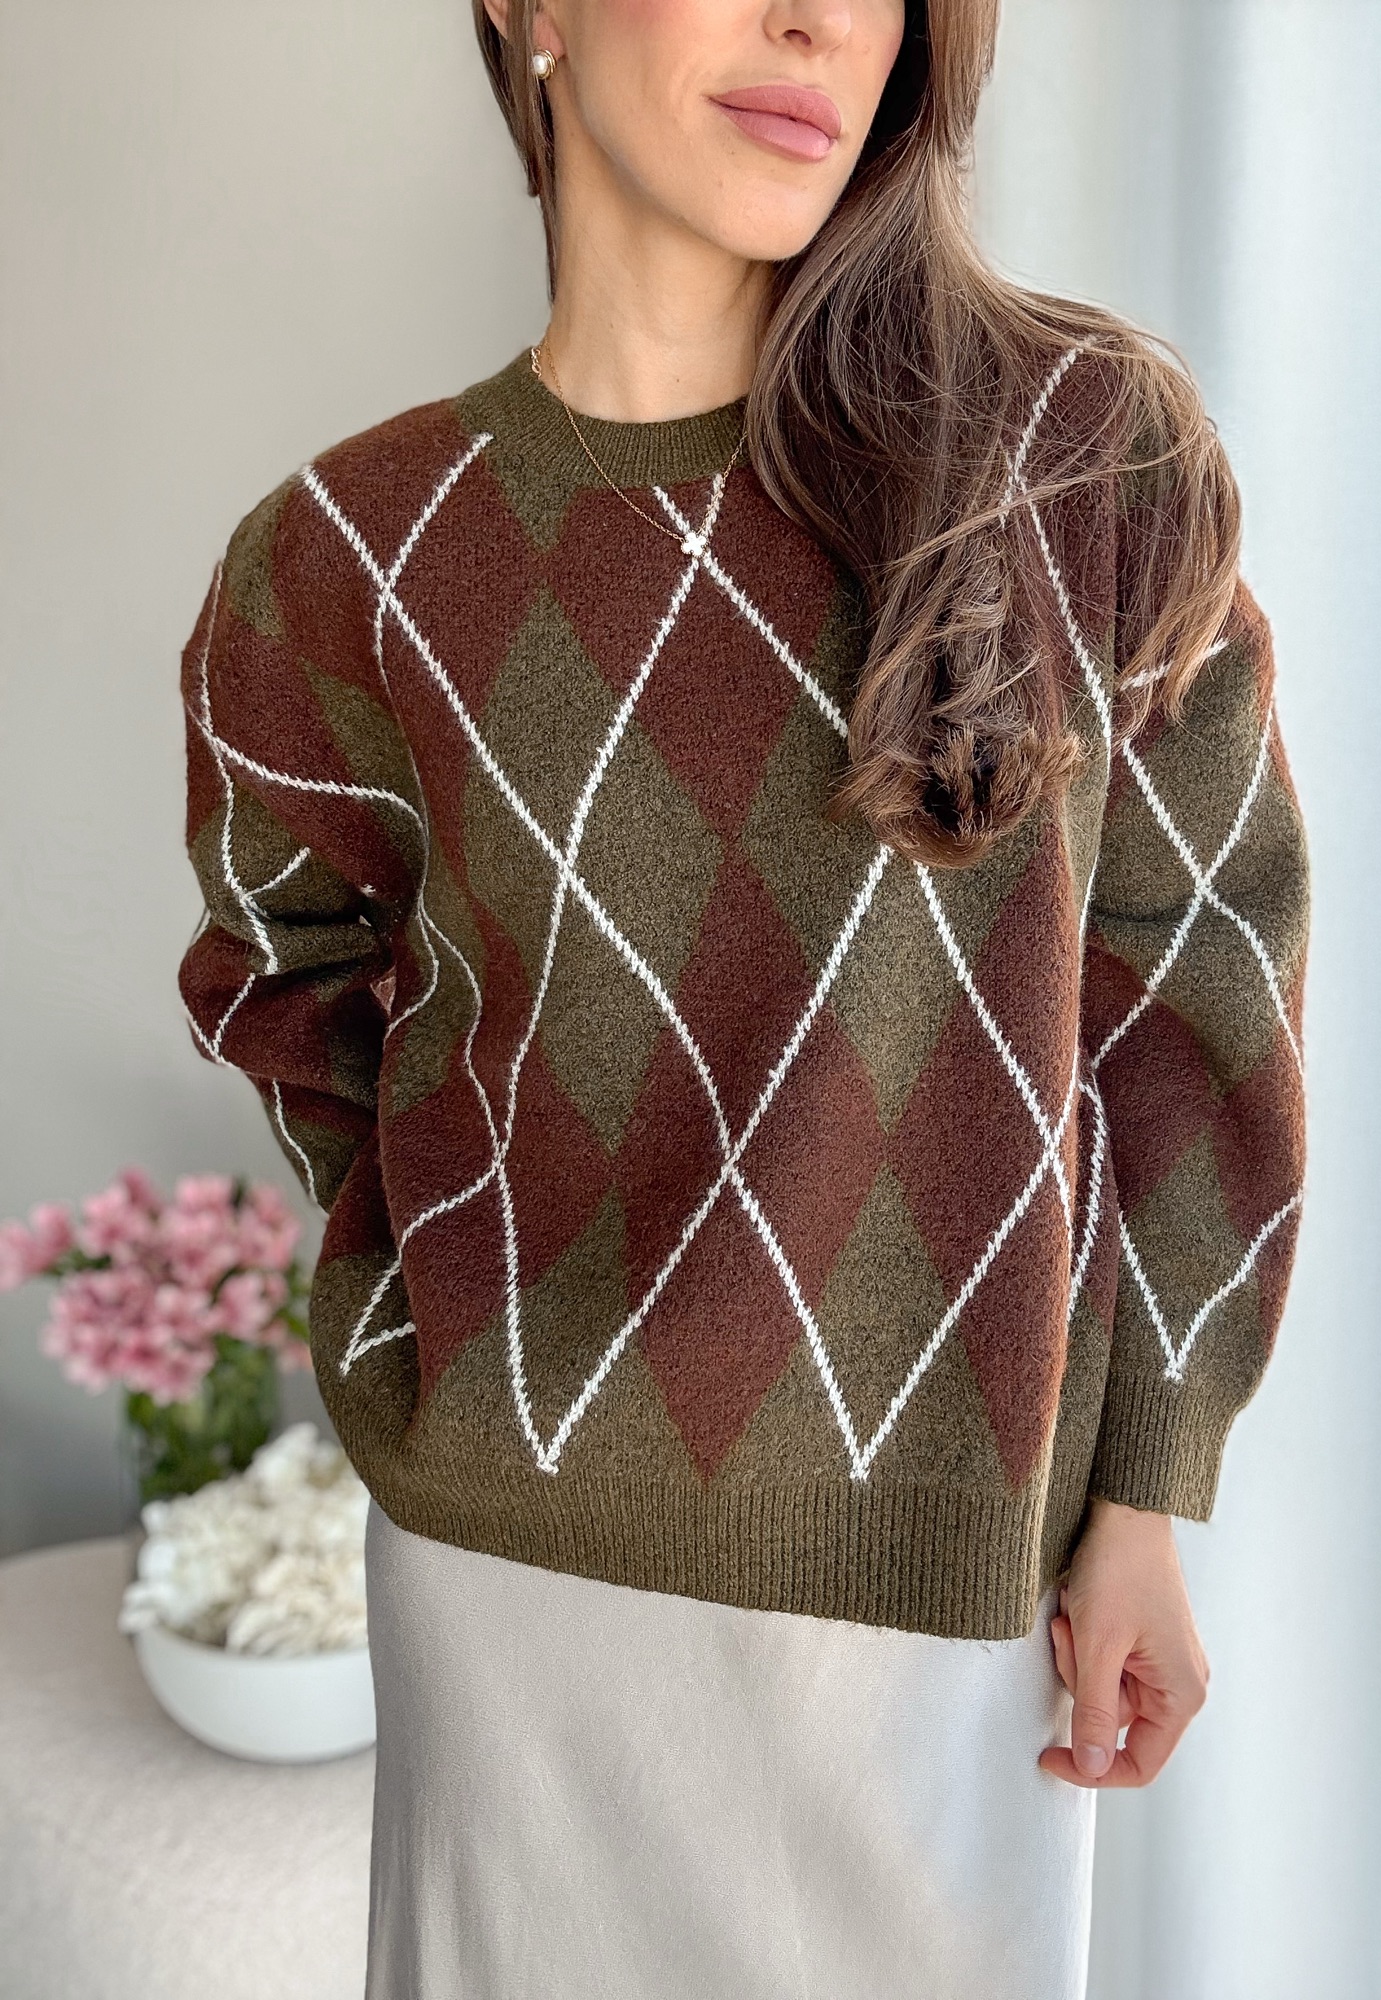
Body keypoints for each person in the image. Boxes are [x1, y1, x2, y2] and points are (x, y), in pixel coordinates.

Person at [176, 0, 1310, 1992]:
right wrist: (434, 1324)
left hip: (946, 1606)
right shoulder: (343, 563)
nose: (817, 20)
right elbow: (288, 986)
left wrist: (1148, 1483)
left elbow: (1199, 982)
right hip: (511, 1592)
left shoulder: (1075, 458)